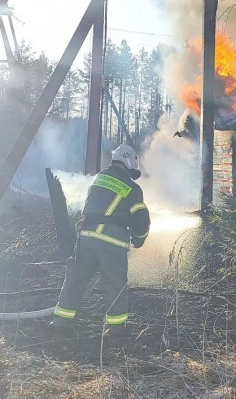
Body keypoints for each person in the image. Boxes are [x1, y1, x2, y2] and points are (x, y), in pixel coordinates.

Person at [49, 144, 150, 337]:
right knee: (114, 285)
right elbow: (141, 218)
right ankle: (115, 330)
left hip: (85, 238)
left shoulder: (99, 178)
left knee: (75, 280)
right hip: (111, 243)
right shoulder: (133, 188)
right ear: (131, 162)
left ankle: (60, 322)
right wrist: (139, 238)